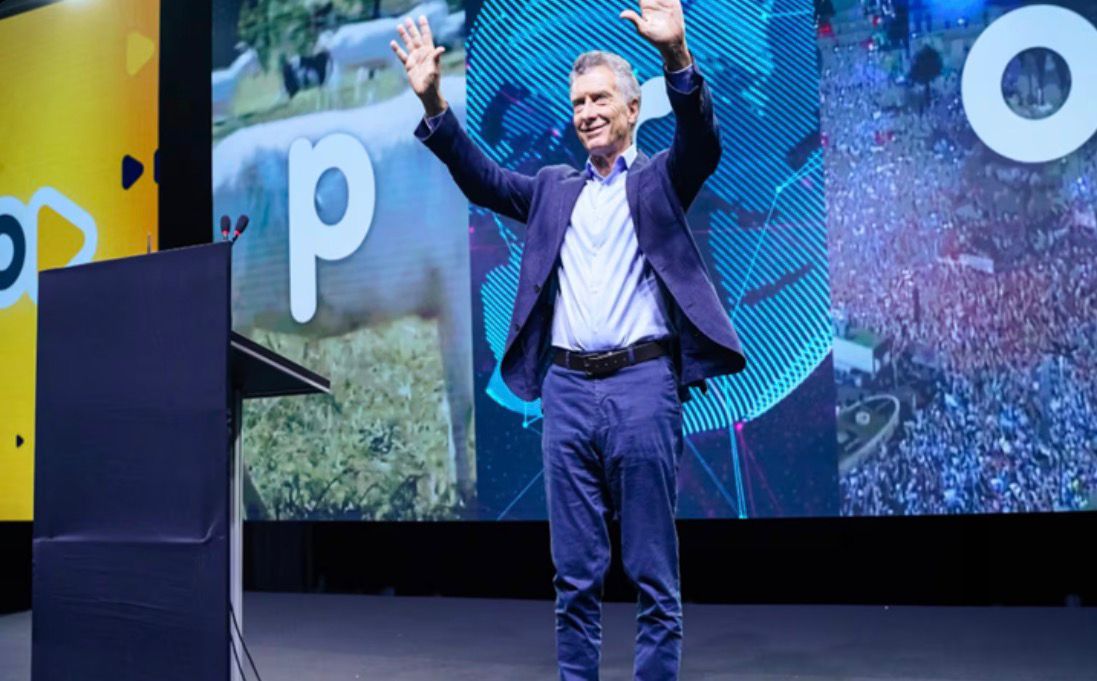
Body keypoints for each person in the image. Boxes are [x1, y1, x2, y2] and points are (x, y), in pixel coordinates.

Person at [392, 2, 746, 678]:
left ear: (632, 108)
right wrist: (433, 99)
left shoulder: (660, 178)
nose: (586, 112)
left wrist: (676, 54)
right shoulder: (554, 190)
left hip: (643, 386)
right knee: (574, 574)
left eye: (599, 99)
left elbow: (702, 141)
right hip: (567, 392)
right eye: (578, 102)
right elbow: (481, 179)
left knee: (651, 568)